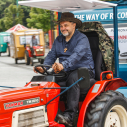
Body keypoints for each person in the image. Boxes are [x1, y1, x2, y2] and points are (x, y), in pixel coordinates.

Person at [34, 12, 95, 126]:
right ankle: (49, 112)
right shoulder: (58, 40)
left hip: (84, 71)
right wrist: (44, 67)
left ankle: (70, 116)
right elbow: (52, 55)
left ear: (73, 25)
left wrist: (63, 65)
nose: (63, 28)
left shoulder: (82, 39)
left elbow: (76, 56)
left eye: (66, 25)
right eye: (61, 26)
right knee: (46, 80)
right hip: (66, 71)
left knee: (73, 78)